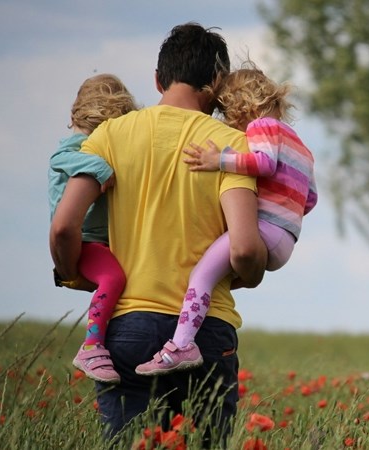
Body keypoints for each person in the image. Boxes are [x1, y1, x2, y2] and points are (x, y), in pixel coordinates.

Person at [50, 22, 267, 446]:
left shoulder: (109, 136)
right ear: (217, 83)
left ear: (157, 79)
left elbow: (63, 226)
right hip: (205, 332)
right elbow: (243, 248)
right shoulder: (231, 146)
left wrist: (72, 272)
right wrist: (253, 271)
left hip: (126, 327)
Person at [136, 64, 318, 376]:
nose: (229, 122)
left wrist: (217, 160)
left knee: (201, 276)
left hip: (263, 230)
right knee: (216, 277)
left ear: (244, 106)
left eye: (228, 112)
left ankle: (181, 345)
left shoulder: (263, 127)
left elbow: (262, 162)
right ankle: (192, 326)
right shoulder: (302, 146)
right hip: (286, 239)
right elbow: (310, 198)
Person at [48, 73, 137, 384]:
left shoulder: (89, 143)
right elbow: (61, 158)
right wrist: (101, 167)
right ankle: (92, 345)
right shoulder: (76, 147)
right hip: (85, 240)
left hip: (98, 240)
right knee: (113, 277)